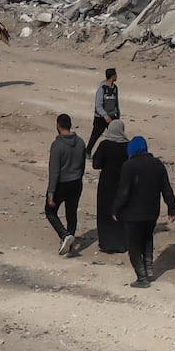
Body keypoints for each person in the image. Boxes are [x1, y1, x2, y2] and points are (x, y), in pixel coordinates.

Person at [112, 136, 175, 288]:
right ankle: (148, 270)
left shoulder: (129, 165)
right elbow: (167, 189)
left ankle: (142, 277)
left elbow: (124, 192)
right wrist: (172, 209)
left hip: (133, 213)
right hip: (151, 211)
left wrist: (115, 209)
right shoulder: (157, 164)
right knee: (147, 239)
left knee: (133, 245)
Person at [46, 114, 85, 257]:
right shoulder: (80, 142)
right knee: (71, 213)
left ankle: (64, 235)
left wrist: (51, 193)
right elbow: (82, 165)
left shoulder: (57, 145)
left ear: (58, 125)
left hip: (62, 183)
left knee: (50, 211)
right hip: (76, 182)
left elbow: (54, 171)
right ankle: (69, 243)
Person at [90, 119, 130, 254]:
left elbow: (96, 164)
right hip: (123, 184)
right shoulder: (128, 146)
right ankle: (122, 243)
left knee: (105, 213)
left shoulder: (105, 145)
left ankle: (106, 244)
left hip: (107, 184)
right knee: (121, 213)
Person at [88, 68, 120, 154]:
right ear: (112, 76)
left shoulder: (115, 88)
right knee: (95, 136)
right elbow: (98, 105)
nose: (117, 76)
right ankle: (87, 152)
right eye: (115, 74)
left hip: (112, 116)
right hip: (100, 117)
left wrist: (118, 114)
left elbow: (116, 102)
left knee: (117, 136)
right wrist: (105, 115)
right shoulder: (102, 88)